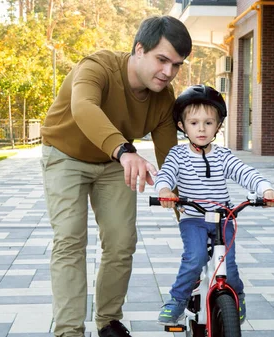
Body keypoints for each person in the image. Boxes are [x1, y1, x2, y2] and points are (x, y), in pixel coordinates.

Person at [40, 15, 192, 337]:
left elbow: (170, 162)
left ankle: (108, 321)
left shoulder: (164, 99)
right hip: (66, 154)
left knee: (122, 242)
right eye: (162, 60)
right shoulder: (97, 67)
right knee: (70, 238)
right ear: (139, 49)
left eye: (176, 65)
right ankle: (69, 331)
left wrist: (189, 213)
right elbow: (83, 109)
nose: (168, 72)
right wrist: (125, 151)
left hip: (113, 162)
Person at [154, 85, 274, 325]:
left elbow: (246, 173)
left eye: (208, 123)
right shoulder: (177, 155)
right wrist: (164, 191)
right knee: (195, 257)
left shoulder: (223, 155)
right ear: (182, 125)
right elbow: (165, 176)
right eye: (194, 123)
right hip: (193, 219)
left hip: (224, 218)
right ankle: (177, 300)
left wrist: (265, 189)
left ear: (218, 125)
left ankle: (237, 297)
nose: (201, 128)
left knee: (229, 266)